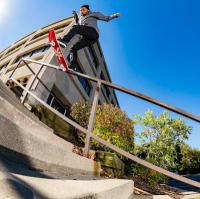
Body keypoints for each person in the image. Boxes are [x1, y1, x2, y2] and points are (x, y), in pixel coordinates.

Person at [59, 4, 121, 69]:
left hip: (93, 33)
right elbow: (78, 25)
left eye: (83, 10)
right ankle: (72, 66)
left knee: (76, 27)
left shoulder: (94, 14)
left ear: (88, 10)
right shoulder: (81, 19)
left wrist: (115, 15)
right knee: (73, 48)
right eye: (80, 10)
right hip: (89, 39)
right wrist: (75, 16)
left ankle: (64, 40)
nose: (81, 11)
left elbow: (106, 18)